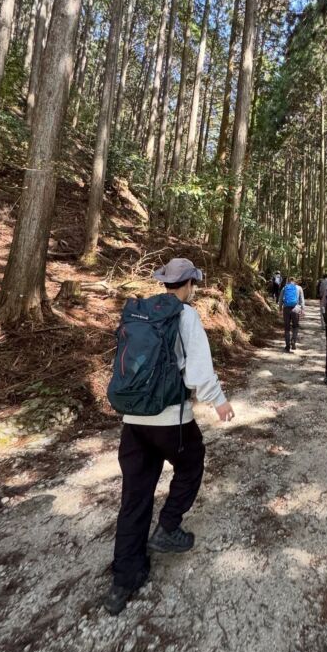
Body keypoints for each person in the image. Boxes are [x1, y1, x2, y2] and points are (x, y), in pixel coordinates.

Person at [103, 257, 235, 616]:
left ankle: (123, 581)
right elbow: (197, 371)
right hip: (169, 419)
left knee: (134, 496)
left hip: (133, 420)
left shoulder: (140, 311)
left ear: (164, 283)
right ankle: (168, 526)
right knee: (192, 464)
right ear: (189, 284)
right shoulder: (185, 315)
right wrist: (218, 402)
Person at [278, 275, 305, 352]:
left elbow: (280, 300)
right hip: (296, 309)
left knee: (287, 328)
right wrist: (302, 309)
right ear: (295, 281)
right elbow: (302, 300)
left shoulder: (285, 288)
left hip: (286, 309)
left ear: (288, 281)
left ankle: (287, 345)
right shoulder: (299, 288)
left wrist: (280, 309)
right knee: (295, 326)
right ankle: (293, 340)